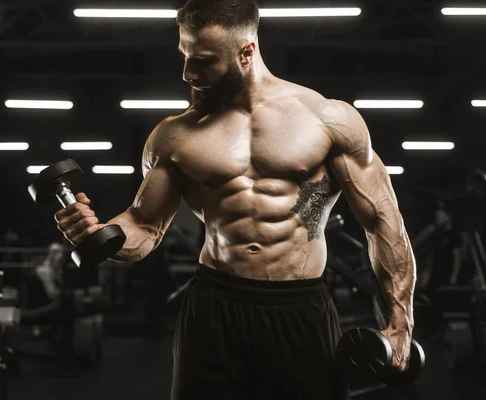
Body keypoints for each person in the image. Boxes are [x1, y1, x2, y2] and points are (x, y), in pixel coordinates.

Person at [55, 0, 417, 398]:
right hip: (215, 307)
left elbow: (383, 222)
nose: (188, 74)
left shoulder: (328, 120)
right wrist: (100, 235)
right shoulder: (174, 136)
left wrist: (400, 321)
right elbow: (143, 228)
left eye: (203, 61)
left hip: (299, 307)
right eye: (185, 57)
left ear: (247, 51)